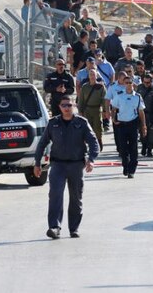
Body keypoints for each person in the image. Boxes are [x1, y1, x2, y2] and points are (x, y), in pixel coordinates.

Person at [33, 96, 98, 240]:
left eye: (69, 105)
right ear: (59, 107)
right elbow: (42, 143)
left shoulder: (82, 123)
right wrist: (37, 163)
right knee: (55, 195)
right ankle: (54, 227)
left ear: (73, 105)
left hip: (76, 165)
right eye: (64, 105)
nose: (67, 108)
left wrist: (91, 160)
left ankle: (74, 228)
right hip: (58, 165)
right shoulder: (53, 123)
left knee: (76, 197)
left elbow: (93, 143)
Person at [110, 80, 147, 178]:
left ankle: (132, 170)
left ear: (133, 84)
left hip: (133, 124)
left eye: (130, 82)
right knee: (123, 148)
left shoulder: (137, 97)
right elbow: (113, 108)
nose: (128, 84)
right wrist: (113, 119)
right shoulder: (119, 95)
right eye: (126, 82)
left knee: (133, 147)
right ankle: (125, 165)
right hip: (122, 124)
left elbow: (141, 112)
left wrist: (143, 125)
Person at [77, 69, 108, 152]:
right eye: (90, 74)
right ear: (88, 76)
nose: (92, 76)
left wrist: (105, 110)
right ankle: (90, 145)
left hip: (97, 109)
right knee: (88, 128)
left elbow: (104, 100)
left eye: (93, 74)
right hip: (87, 109)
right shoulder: (85, 87)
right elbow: (81, 100)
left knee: (98, 128)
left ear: (96, 76)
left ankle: (99, 142)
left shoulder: (101, 87)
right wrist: (80, 111)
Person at [136, 74, 153, 157]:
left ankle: (149, 149)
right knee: (142, 132)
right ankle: (144, 146)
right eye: (144, 82)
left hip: (152, 113)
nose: (146, 84)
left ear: (151, 82)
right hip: (142, 113)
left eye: (148, 82)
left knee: (152, 133)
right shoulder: (140, 88)